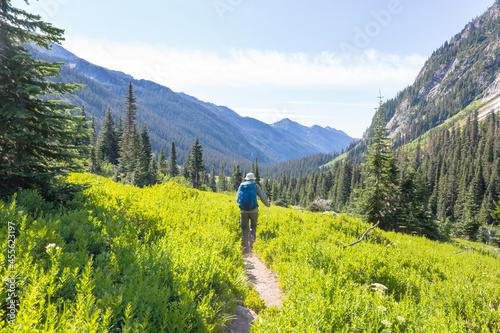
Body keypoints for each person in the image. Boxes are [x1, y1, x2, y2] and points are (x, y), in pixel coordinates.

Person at [235, 173, 271, 251]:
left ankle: (245, 246)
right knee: (253, 226)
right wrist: (267, 204)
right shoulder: (255, 186)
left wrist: (242, 205)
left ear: (246, 179)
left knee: (244, 228)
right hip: (254, 210)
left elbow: (236, 199)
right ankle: (252, 244)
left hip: (243, 211)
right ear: (253, 179)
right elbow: (263, 197)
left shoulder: (241, 185)